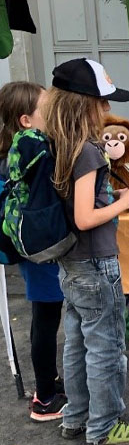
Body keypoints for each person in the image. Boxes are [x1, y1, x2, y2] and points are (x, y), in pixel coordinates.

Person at [43, 58, 129, 445]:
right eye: (102, 102)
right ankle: (105, 427)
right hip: (95, 260)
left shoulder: (57, 144)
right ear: (83, 103)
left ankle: (76, 418)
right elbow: (86, 217)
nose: (107, 110)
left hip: (71, 264)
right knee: (106, 346)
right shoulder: (88, 151)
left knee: (76, 342)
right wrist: (125, 201)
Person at [0, 81, 66, 422]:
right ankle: (44, 397)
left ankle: (50, 382)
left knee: (47, 315)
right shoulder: (32, 151)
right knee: (45, 317)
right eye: (47, 108)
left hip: (28, 246)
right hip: (38, 249)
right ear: (26, 120)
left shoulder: (17, 150)